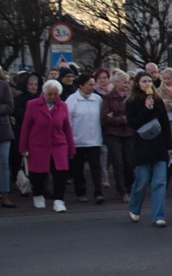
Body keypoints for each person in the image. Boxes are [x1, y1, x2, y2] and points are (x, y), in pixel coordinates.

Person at [126, 72, 172, 227]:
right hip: (142, 146)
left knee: (159, 182)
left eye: (149, 81)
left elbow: (165, 123)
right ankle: (134, 208)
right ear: (137, 84)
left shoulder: (158, 100)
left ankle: (159, 216)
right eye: (143, 81)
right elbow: (133, 123)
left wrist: (169, 146)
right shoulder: (132, 102)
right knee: (141, 180)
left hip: (159, 145)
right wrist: (146, 108)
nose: (147, 84)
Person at [19, 80, 75, 212]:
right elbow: (26, 127)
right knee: (38, 175)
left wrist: (71, 148)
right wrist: (23, 147)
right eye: (50, 94)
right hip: (38, 145)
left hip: (59, 144)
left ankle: (59, 200)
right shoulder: (32, 105)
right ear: (44, 93)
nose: (52, 97)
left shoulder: (62, 106)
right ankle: (38, 194)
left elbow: (67, 128)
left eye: (55, 94)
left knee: (60, 174)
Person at [66, 74, 106, 204]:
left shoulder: (97, 99)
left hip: (94, 140)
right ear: (81, 85)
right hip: (78, 140)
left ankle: (98, 192)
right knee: (78, 169)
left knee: (96, 167)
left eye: (93, 84)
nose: (92, 87)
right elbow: (68, 122)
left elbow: (102, 118)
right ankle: (81, 192)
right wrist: (70, 139)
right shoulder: (72, 100)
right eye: (89, 84)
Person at [102, 70, 135, 203]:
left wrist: (117, 117)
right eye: (124, 82)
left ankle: (130, 188)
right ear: (116, 83)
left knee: (129, 162)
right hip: (113, 134)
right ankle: (122, 191)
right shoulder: (108, 97)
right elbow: (105, 119)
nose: (127, 84)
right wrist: (123, 119)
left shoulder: (131, 97)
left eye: (128, 82)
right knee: (118, 163)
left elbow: (134, 115)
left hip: (129, 133)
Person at [10, 72, 41, 193]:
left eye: (35, 84)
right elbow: (19, 115)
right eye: (31, 84)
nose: (33, 87)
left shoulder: (40, 97)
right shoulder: (19, 99)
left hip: (38, 133)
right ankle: (21, 183)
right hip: (22, 132)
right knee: (20, 160)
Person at [0, 76, 14, 208]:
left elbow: (9, 106)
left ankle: (5, 194)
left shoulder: (3, 85)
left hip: (3, 132)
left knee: (4, 164)